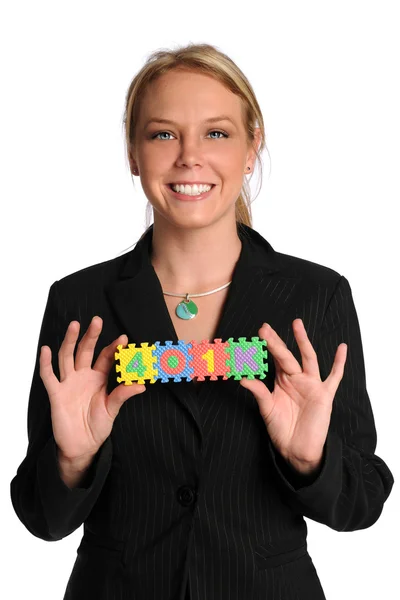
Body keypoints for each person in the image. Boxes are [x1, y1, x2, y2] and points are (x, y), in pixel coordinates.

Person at [10, 42, 394, 600]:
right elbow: (42, 518)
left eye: (216, 133)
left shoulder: (317, 296)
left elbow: (363, 502)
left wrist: (311, 459)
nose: (190, 157)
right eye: (163, 133)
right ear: (133, 152)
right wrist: (72, 459)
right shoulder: (78, 301)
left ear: (250, 146)